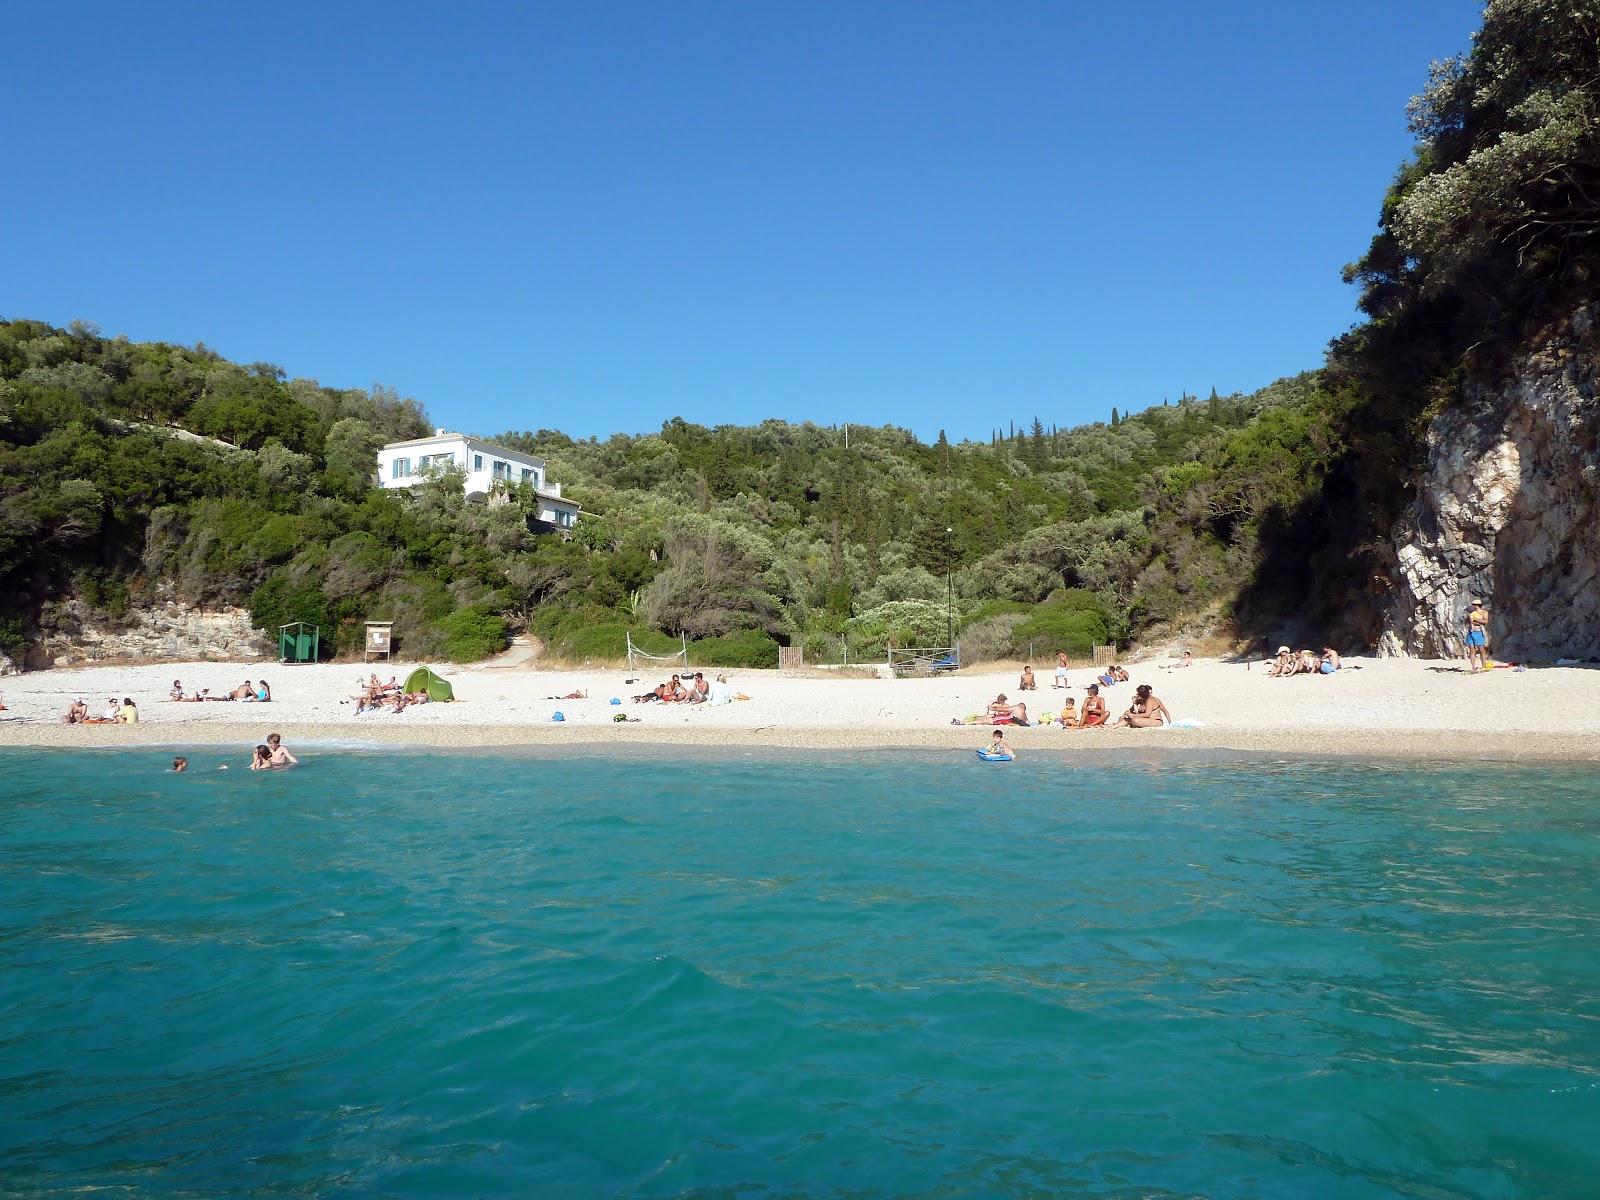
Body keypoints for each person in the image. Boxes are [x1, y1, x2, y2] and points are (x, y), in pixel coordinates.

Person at [1465, 598, 1491, 672]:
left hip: (1479, 632)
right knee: (1472, 650)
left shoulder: (1484, 612)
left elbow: (1485, 621)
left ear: (1476, 606)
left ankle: (1483, 666)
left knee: (1481, 650)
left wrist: (1475, 620)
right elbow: (1467, 622)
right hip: (1471, 632)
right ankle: (1473, 667)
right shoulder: (1471, 613)